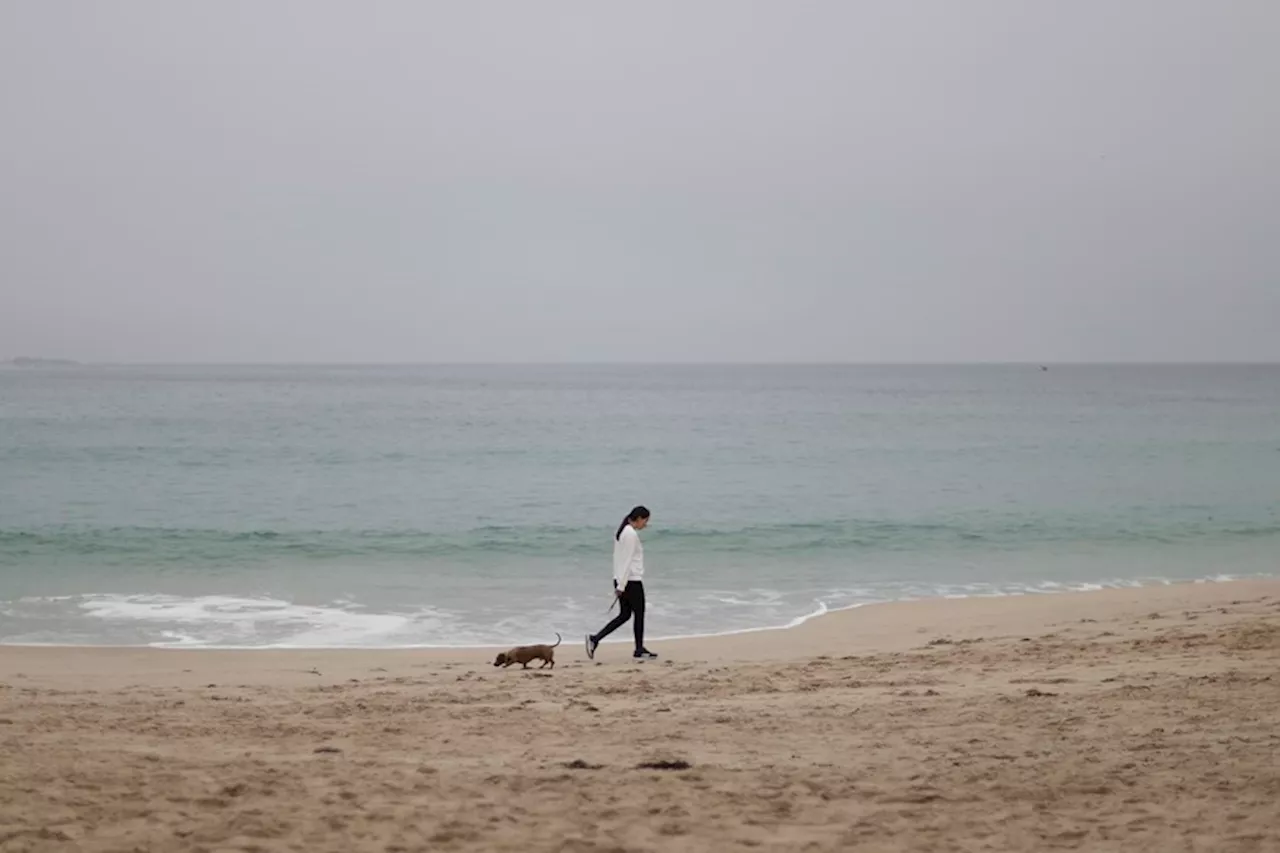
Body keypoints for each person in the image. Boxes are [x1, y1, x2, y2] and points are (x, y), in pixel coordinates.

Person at [585, 505, 657, 660]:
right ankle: (638, 649)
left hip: (622, 579)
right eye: (645, 521)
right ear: (638, 519)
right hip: (631, 581)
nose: (646, 525)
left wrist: (619, 582)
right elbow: (627, 561)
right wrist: (621, 586)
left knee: (625, 615)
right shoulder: (630, 534)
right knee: (638, 614)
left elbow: (620, 559)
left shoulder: (623, 531)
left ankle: (595, 639)